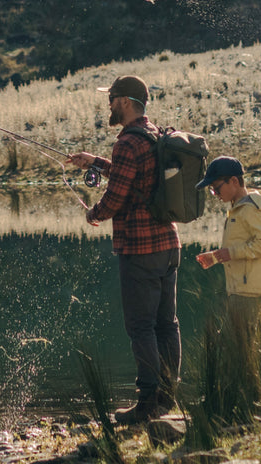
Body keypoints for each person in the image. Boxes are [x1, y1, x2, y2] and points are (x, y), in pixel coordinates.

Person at [66, 75, 181, 425]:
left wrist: (93, 213)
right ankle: (166, 397)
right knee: (166, 324)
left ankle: (146, 403)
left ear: (127, 102)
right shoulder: (154, 135)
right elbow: (132, 176)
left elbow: (116, 197)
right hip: (168, 244)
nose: (109, 104)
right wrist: (95, 162)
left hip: (140, 249)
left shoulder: (128, 142)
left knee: (141, 327)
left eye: (113, 98)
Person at [193, 156, 261, 334]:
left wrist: (230, 253)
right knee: (238, 341)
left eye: (216, 188)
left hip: (249, 290)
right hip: (241, 288)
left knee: (235, 341)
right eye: (212, 191)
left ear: (234, 181)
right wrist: (217, 256)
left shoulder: (249, 209)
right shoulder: (238, 209)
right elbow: (240, 245)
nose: (215, 194)